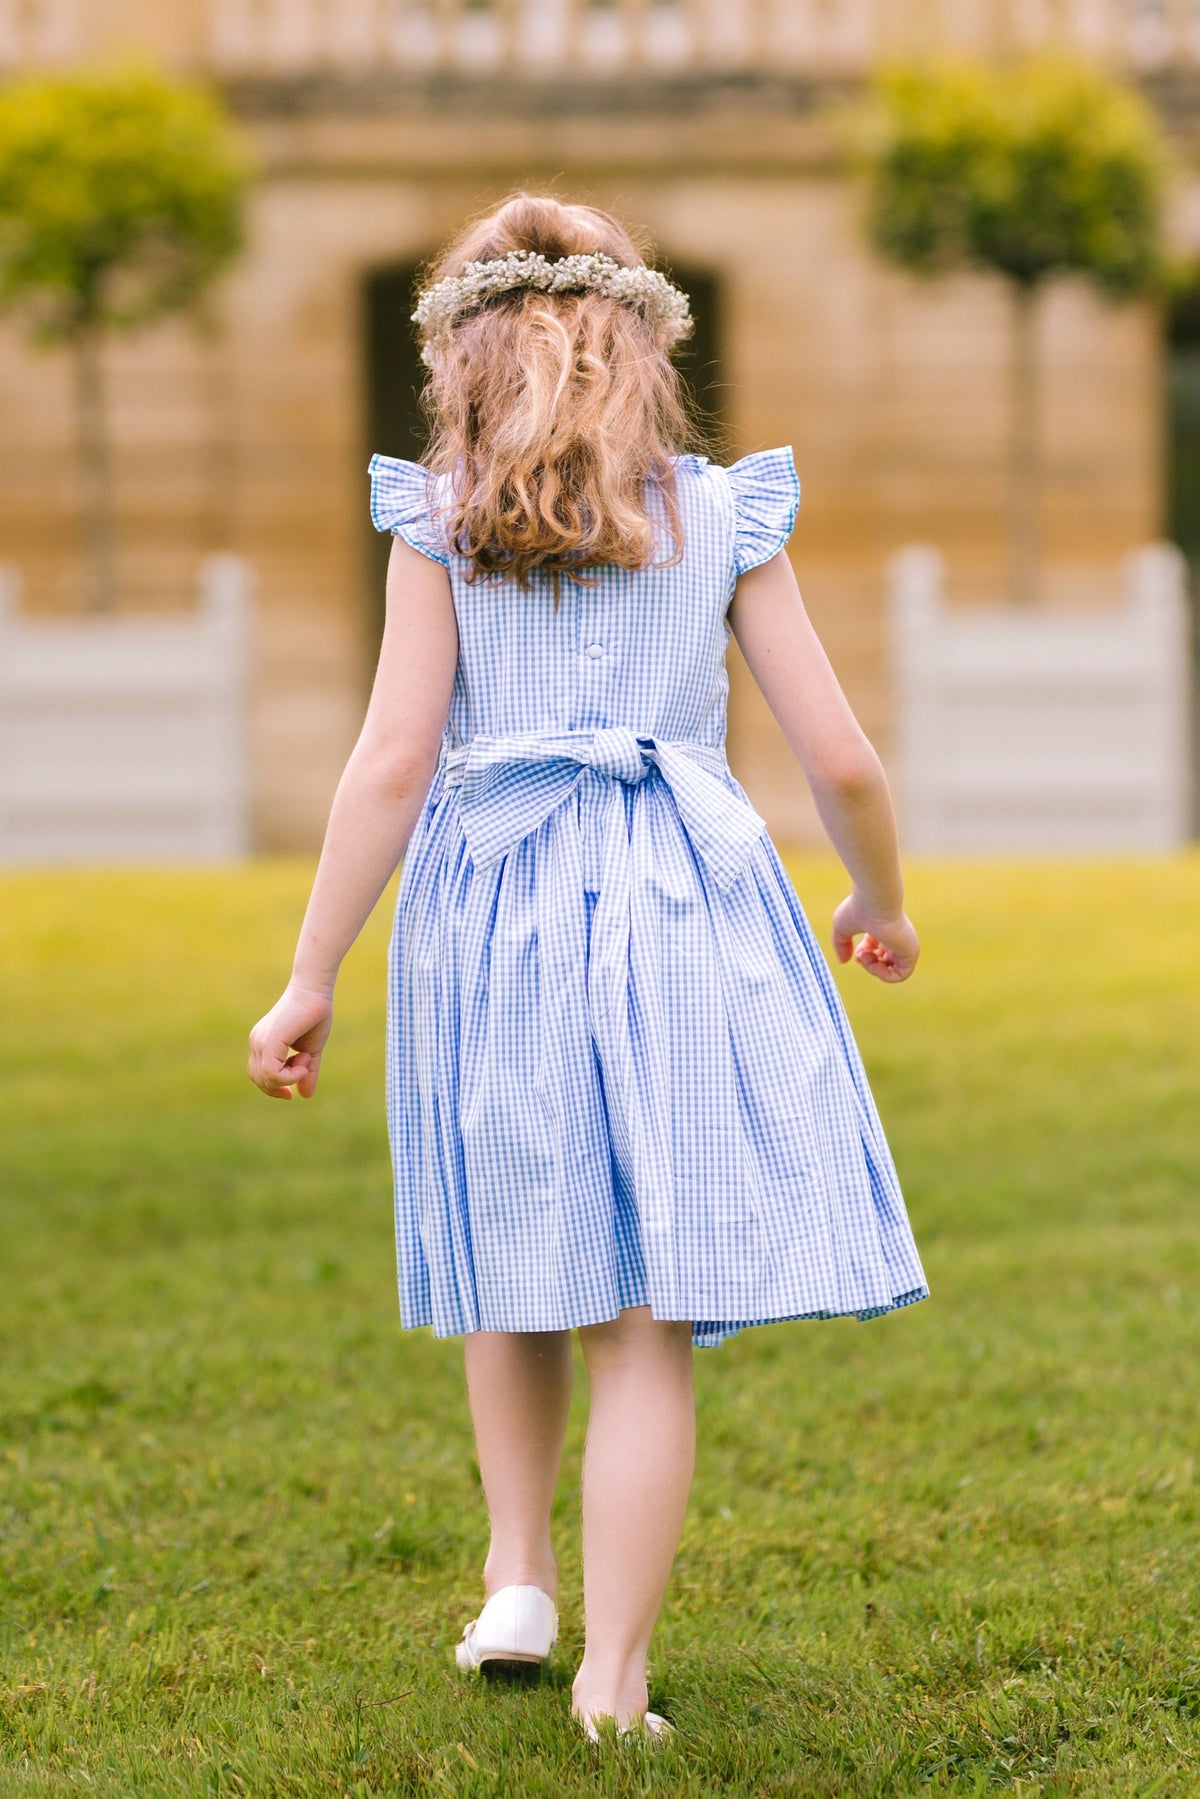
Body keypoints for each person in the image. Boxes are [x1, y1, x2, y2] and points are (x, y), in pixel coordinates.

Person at [247, 193, 928, 1745]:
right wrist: (876, 901)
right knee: (644, 1323)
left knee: (517, 1229)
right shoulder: (722, 517)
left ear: (461, 356)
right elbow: (842, 757)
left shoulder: (443, 520)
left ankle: (514, 1576)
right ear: (645, 350)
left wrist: (311, 975)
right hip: (684, 902)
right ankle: (612, 1684)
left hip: (494, 906)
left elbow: (393, 759)